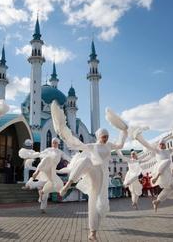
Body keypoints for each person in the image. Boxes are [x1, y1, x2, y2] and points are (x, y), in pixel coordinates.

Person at [52, 102, 128, 241]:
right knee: (86, 160)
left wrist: (124, 131)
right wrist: (63, 133)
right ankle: (68, 185)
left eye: (107, 136)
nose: (106, 138)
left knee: (96, 204)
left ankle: (93, 232)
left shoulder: (110, 145)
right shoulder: (92, 145)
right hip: (92, 171)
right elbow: (76, 144)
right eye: (104, 136)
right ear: (99, 136)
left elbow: (121, 145)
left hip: (102, 176)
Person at [133, 122, 173, 212]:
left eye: (163, 144)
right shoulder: (157, 151)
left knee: (172, 188)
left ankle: (157, 201)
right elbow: (147, 145)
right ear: (159, 145)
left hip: (166, 171)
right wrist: (139, 138)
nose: (161, 145)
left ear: (165, 144)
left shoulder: (168, 150)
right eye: (160, 144)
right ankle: (156, 177)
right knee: (168, 161)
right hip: (159, 170)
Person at [21, 137, 71, 213]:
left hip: (52, 171)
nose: (54, 144)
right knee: (46, 159)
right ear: (51, 143)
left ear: (58, 144)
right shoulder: (48, 150)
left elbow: (67, 158)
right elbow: (40, 154)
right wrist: (31, 155)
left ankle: (42, 203)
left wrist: (73, 162)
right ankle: (30, 182)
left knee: (56, 186)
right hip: (46, 168)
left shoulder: (60, 152)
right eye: (53, 142)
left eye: (56, 143)